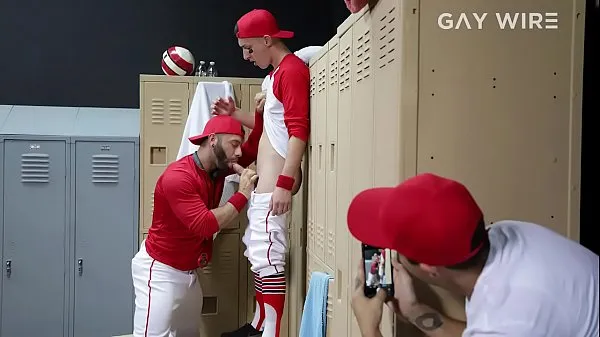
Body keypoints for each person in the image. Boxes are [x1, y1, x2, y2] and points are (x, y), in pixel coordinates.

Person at [347, 173, 599, 337]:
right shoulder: (510, 232)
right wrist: (415, 311)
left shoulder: (508, 314)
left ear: (429, 268)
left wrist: (369, 328)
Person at [212, 8, 311, 337]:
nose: (246, 56)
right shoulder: (273, 77)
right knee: (259, 251)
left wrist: (284, 182)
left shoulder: (291, 71)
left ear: (268, 40)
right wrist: (237, 114)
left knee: (268, 254)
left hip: (275, 184)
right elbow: (272, 126)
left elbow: (298, 130)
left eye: (249, 48)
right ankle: (258, 324)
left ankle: (271, 331)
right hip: (265, 183)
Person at [131, 114, 264, 337]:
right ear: (213, 140)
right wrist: (242, 194)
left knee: (188, 333)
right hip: (160, 270)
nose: (239, 152)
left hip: (189, 273)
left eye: (239, 144)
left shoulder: (218, 168)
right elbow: (205, 225)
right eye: (234, 144)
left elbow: (253, 148)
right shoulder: (178, 177)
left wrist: (260, 115)